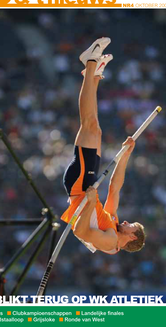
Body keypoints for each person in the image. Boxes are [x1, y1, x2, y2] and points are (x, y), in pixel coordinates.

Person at [61, 37, 145, 254]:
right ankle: (94, 74)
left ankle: (89, 62)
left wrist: (89, 203)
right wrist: (126, 155)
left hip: (79, 186)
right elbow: (115, 188)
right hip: (87, 183)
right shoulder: (112, 222)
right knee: (95, 129)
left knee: (89, 124)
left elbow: (81, 232)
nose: (125, 221)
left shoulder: (110, 241)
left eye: (130, 225)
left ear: (132, 236)